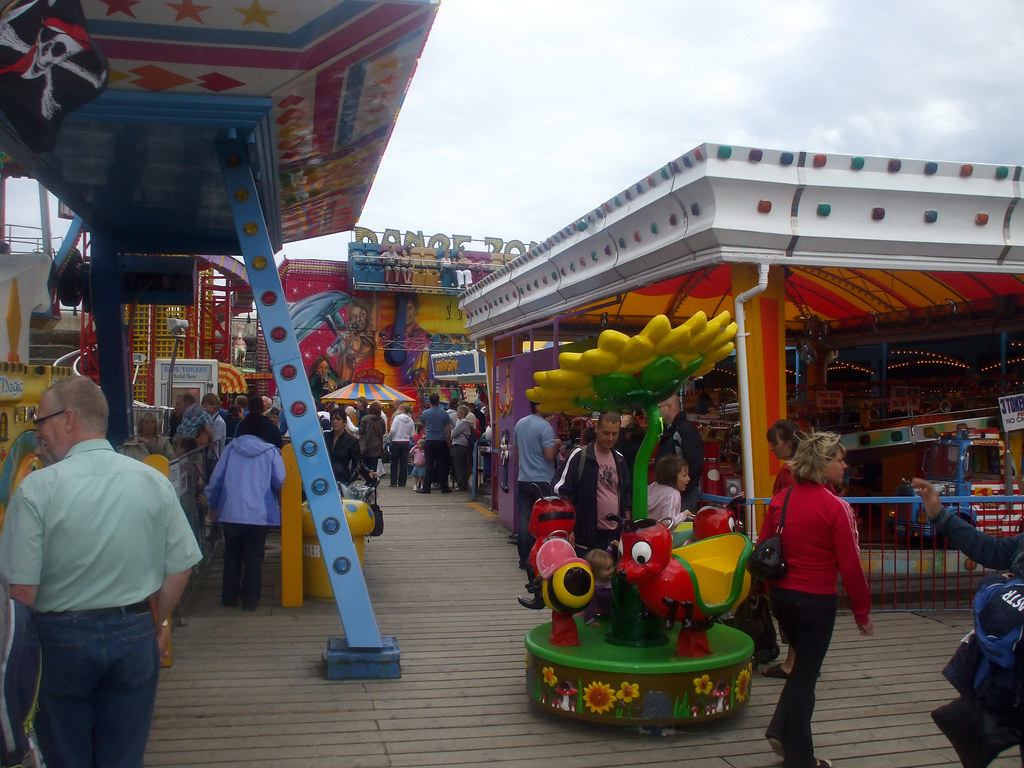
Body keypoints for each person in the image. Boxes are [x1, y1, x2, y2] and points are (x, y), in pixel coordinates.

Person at [0, 376, 202, 768]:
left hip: (58, 641)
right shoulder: (151, 481)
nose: (38, 432)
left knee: (64, 755)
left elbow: (21, 593)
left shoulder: (37, 490)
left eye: (40, 421)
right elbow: (181, 567)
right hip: (134, 633)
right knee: (124, 756)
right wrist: (155, 623)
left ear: (68, 420)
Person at [758, 430, 873, 768]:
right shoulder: (837, 507)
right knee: (806, 678)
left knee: (802, 672)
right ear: (823, 464)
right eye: (839, 459)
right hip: (816, 601)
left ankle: (781, 731)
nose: (845, 466)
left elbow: (764, 546)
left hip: (782, 597)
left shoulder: (783, 499)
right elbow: (850, 566)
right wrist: (862, 613)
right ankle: (801, 759)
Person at [204, 410, 285, 612]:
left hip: (231, 512)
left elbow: (216, 480)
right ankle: (250, 601)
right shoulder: (271, 452)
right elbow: (279, 480)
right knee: (254, 558)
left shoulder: (230, 449)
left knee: (231, 555)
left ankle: (229, 597)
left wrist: (212, 504)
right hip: (259, 514)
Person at [553, 411, 632, 553]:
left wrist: (625, 531)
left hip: (613, 536)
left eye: (614, 434)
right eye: (606, 433)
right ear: (597, 429)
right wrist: (568, 529)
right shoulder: (580, 456)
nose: (610, 438)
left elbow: (625, 499)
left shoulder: (620, 460)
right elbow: (562, 493)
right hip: (585, 538)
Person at [764, 419, 803, 680]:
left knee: (787, 604)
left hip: (787, 545)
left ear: (788, 443)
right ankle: (796, 660)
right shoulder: (800, 470)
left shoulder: (788, 473)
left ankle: (793, 662)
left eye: (774, 443)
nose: (771, 448)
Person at [513, 401, 558, 568]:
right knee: (544, 521)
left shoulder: (520, 424)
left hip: (524, 479)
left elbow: (516, 453)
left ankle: (524, 559)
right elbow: (549, 455)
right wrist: (557, 444)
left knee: (525, 520)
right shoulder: (545, 427)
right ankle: (541, 557)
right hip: (543, 481)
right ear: (538, 406)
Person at [656, 394, 703, 516]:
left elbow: (695, 464)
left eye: (659, 407)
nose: (657, 411)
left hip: (683, 495)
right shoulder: (673, 430)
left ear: (669, 407)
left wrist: (681, 488)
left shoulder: (684, 430)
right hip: (674, 492)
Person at [328, 408, 376, 486]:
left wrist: (368, 473)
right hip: (324, 478)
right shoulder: (325, 437)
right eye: (333, 419)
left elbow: (358, 461)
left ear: (344, 422)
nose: (335, 422)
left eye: (338, 419)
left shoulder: (351, 440)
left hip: (342, 479)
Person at [417, 393, 452, 494]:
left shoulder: (425, 413)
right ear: (438, 400)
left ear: (430, 401)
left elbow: (422, 424)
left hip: (430, 440)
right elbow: (448, 427)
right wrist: (449, 438)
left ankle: (426, 488)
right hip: (441, 441)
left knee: (429, 464)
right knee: (442, 464)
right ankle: (444, 487)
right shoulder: (444, 413)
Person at [647, 455, 693, 531]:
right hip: (662, 536)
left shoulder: (652, 486)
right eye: (684, 475)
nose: (689, 479)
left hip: (647, 533)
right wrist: (684, 515)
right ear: (672, 476)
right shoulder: (673, 494)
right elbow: (668, 522)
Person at [583, 548, 615, 625]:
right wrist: (589, 620)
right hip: (603, 612)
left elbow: (608, 557)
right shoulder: (594, 589)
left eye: (612, 566)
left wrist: (611, 547)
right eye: (608, 569)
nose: (612, 570)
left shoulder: (612, 578)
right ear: (596, 572)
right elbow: (589, 606)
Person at [388, 403, 416, 487]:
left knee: (394, 462)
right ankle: (402, 482)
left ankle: (393, 482)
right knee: (404, 463)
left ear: (402, 410)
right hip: (406, 442)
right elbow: (412, 433)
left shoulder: (397, 418)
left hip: (396, 441)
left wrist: (391, 437)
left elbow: (393, 430)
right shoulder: (410, 420)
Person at [358, 401, 387, 476]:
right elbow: (383, 432)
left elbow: (360, 431)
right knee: (374, 465)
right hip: (376, 446)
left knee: (365, 465)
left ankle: (368, 480)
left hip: (366, 445)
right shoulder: (381, 420)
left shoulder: (365, 419)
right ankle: (373, 479)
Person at [451, 404, 474, 491]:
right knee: (463, 465)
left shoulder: (462, 423)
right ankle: (464, 484)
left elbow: (454, 434)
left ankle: (461, 485)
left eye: (459, 412)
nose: (457, 414)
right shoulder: (467, 423)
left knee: (459, 465)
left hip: (459, 444)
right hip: (465, 445)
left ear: (463, 414)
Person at [202, 392, 227, 460]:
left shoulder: (219, 421)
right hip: (208, 456)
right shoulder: (207, 419)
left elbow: (215, 439)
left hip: (214, 456)